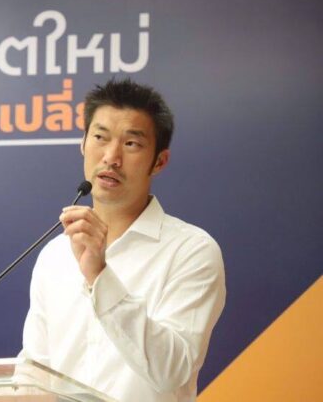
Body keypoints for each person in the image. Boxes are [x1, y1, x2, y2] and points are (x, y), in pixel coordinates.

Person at [19, 79, 226, 402]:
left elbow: (172, 371)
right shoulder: (55, 254)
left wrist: (100, 275)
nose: (111, 157)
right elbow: (35, 375)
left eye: (131, 144)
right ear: (83, 144)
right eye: (100, 137)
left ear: (159, 161)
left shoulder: (191, 251)